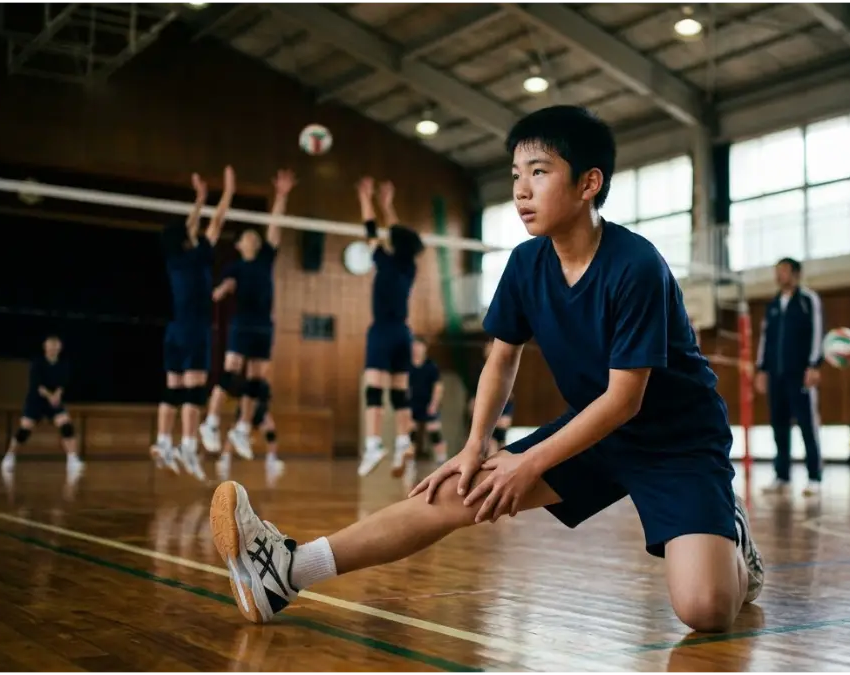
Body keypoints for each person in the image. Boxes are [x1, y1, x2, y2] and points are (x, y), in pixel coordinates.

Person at [208, 105, 764, 633]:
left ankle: (730, 537)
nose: (521, 189)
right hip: (594, 432)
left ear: (589, 183)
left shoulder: (636, 265)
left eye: (540, 172)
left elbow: (626, 399)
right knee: (456, 490)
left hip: (675, 442)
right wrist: (476, 445)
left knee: (705, 609)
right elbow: (501, 359)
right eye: (516, 173)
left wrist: (527, 462)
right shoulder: (526, 264)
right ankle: (285, 572)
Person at [200, 170, 295, 460]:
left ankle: (242, 429)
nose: (253, 238)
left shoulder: (266, 258)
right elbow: (226, 285)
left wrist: (282, 196)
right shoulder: (235, 267)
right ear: (240, 245)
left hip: (263, 325)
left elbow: (275, 226)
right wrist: (222, 290)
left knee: (256, 381)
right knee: (231, 372)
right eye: (247, 237)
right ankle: (212, 422)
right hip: (242, 323)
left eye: (256, 235)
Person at [151, 166, 234, 481]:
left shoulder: (174, 259)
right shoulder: (199, 255)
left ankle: (163, 441)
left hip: (175, 330)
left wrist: (200, 199)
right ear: (187, 239)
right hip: (195, 330)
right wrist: (225, 193)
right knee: (193, 392)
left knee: (172, 389)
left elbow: (191, 227)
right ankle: (186, 445)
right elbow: (216, 221)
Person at [355, 177, 425, 478]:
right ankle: (401, 442)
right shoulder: (409, 266)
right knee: (400, 394)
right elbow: (397, 234)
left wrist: (365, 200)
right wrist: (388, 204)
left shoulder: (384, 262)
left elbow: (371, 231)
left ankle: (373, 445)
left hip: (383, 331)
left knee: (374, 389)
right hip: (403, 334)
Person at [755, 257, 824, 497]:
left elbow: (817, 332)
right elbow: (765, 339)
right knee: (778, 425)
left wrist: (814, 365)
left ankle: (814, 477)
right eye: (777, 271)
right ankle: (782, 476)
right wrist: (762, 368)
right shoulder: (773, 304)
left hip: (800, 374)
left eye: (783, 270)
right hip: (776, 375)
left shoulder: (808, 300)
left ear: (795, 273)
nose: (779, 275)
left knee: (807, 425)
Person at [1, 335, 84, 477]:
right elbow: (37, 385)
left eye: (55, 346)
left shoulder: (63, 364)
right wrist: (50, 396)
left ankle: (72, 459)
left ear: (59, 348)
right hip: (36, 400)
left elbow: (63, 383)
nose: (53, 349)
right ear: (45, 348)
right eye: (50, 346)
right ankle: (9, 457)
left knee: (66, 425)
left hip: (54, 401)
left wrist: (57, 394)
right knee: (25, 429)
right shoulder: (37, 363)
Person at [468, 340, 515, 456]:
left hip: (503, 401)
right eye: (489, 346)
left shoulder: (506, 365)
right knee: (490, 441)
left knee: (501, 436)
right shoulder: (480, 368)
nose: (491, 349)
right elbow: (474, 390)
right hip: (485, 403)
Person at [408, 337, 447, 463]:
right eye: (414, 346)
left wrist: (434, 404)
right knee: (410, 434)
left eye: (419, 346)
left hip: (428, 403)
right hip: (411, 404)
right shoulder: (406, 365)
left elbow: (438, 387)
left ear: (425, 348)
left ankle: (442, 460)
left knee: (434, 432)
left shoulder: (431, 366)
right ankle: (409, 463)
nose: (416, 349)